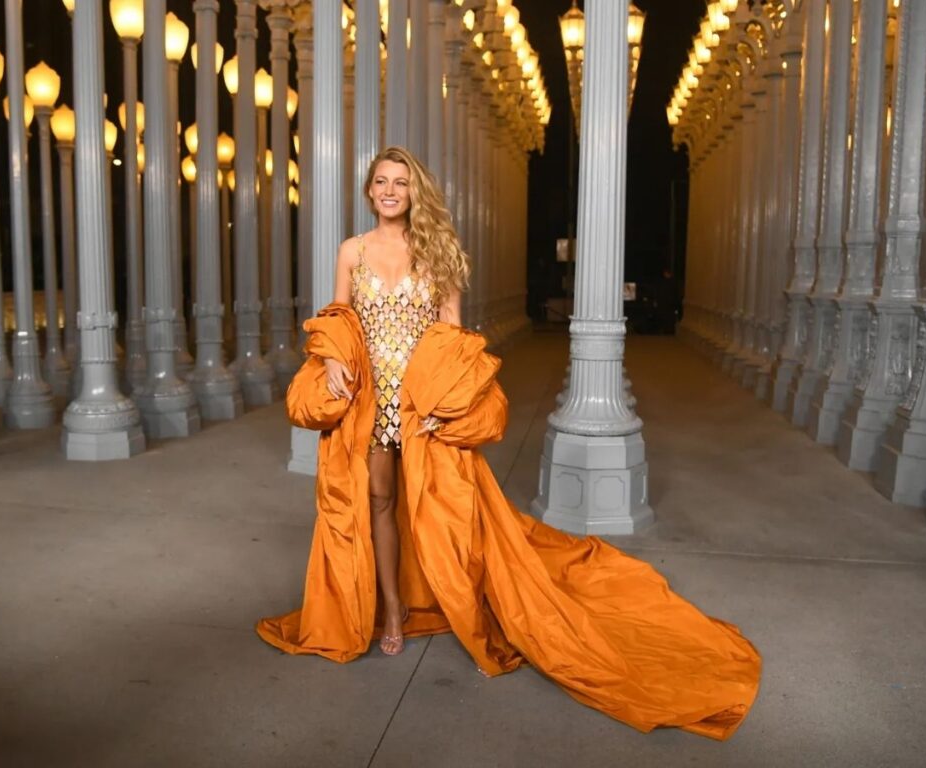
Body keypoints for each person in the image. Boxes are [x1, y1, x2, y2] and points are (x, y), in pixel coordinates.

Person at [257, 147, 761, 740]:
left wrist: (445, 404)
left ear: (415, 192)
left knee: (448, 513)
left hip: (421, 404)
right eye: (381, 182)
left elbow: (453, 336)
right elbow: (338, 317)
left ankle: (465, 607)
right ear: (369, 191)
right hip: (369, 399)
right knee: (378, 502)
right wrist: (333, 359)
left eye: (401, 183)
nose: (390, 190)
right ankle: (391, 608)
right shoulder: (353, 250)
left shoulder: (437, 253)